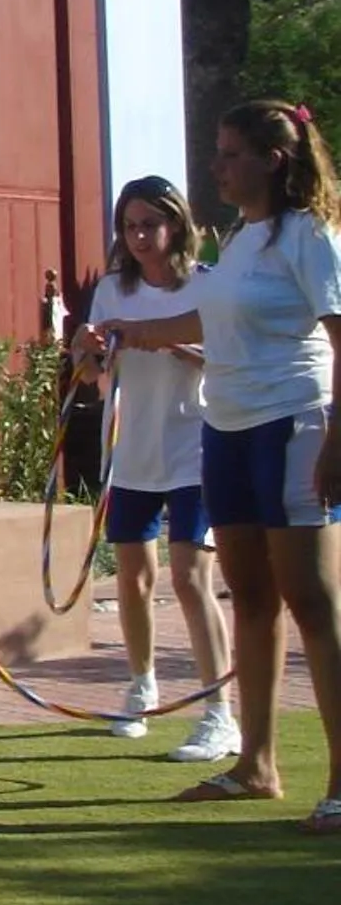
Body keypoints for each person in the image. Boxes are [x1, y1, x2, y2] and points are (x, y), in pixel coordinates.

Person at [106, 100, 341, 831]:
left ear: (275, 159)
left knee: (312, 599)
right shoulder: (241, 240)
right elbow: (207, 322)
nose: (217, 166)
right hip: (227, 429)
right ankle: (256, 767)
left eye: (232, 153)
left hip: (294, 423)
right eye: (218, 151)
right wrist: (127, 331)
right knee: (252, 597)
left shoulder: (309, 235)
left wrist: (337, 439)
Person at [73, 176, 235, 759]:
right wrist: (87, 349)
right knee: (133, 579)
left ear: (175, 225)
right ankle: (141, 687)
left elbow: (228, 359)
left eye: (150, 224)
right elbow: (91, 374)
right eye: (130, 226)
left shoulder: (210, 286)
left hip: (196, 448)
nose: (139, 236)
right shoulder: (112, 289)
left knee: (190, 578)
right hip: (130, 452)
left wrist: (160, 340)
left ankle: (219, 713)